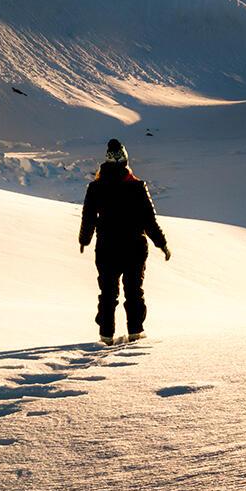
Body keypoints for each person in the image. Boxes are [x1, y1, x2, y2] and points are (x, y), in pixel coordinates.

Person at [79, 139, 170, 344]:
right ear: (125, 161)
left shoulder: (95, 187)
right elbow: (149, 220)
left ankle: (106, 335)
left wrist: (84, 240)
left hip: (106, 247)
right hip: (134, 247)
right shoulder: (137, 187)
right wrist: (161, 243)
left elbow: (89, 218)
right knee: (134, 291)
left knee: (108, 292)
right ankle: (135, 332)